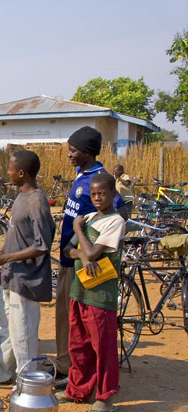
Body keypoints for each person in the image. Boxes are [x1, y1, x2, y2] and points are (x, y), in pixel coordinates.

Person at [55, 126, 127, 385]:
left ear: (87, 153)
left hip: (86, 266)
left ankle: (87, 375)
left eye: (73, 151)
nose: (69, 155)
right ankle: (68, 367)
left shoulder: (99, 181)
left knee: (87, 327)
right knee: (68, 319)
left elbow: (119, 213)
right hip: (69, 256)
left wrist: (89, 249)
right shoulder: (81, 174)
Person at [0, 150, 55, 383]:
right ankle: (0, 372)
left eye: (10, 169)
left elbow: (42, 246)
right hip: (12, 275)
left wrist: (7, 258)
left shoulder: (37, 201)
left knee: (23, 334)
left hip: (26, 279)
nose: (7, 173)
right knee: (6, 329)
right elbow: (22, 237)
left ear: (22, 173)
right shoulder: (22, 197)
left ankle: (28, 381)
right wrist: (3, 255)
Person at [58, 173, 124, 412]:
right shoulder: (90, 217)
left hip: (100, 295)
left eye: (102, 194)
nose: (97, 198)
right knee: (79, 344)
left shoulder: (114, 222)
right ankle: (78, 389)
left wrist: (77, 228)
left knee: (103, 347)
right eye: (94, 194)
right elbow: (68, 249)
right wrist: (83, 255)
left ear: (113, 195)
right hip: (80, 290)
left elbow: (93, 252)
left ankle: (106, 397)